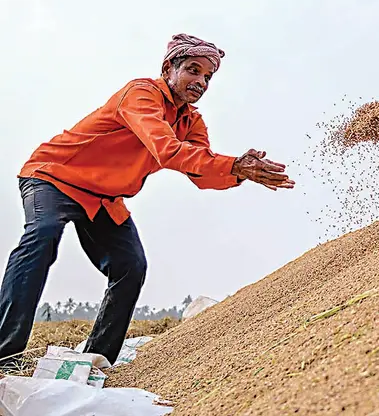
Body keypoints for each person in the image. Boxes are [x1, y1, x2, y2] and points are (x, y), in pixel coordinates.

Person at [0, 33, 294, 367]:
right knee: (43, 235)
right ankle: (5, 352)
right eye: (193, 70)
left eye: (208, 77)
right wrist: (233, 165)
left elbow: (201, 172)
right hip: (55, 177)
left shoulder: (191, 121)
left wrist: (240, 172)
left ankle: (96, 359)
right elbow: (166, 150)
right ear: (169, 67)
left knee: (131, 265)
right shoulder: (141, 94)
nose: (201, 81)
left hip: (104, 198)